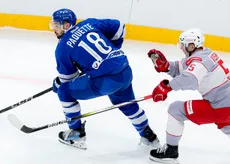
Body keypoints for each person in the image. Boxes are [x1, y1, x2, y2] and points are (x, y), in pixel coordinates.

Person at [50, 8, 160, 150]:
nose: (54, 30)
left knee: (64, 92)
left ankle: (76, 134)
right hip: (125, 70)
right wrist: (111, 53)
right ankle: (149, 137)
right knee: (127, 104)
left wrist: (58, 84)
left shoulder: (62, 48)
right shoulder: (89, 23)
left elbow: (68, 79)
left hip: (106, 81)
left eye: (56, 26)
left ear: (66, 25)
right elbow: (119, 26)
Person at [147, 28, 230, 164]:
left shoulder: (199, 61)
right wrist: (166, 66)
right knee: (228, 125)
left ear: (191, 45)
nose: (181, 48)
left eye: (183, 45)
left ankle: (171, 152)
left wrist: (166, 87)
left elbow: (189, 80)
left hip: (221, 105)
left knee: (176, 110)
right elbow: (182, 68)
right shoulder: (205, 53)